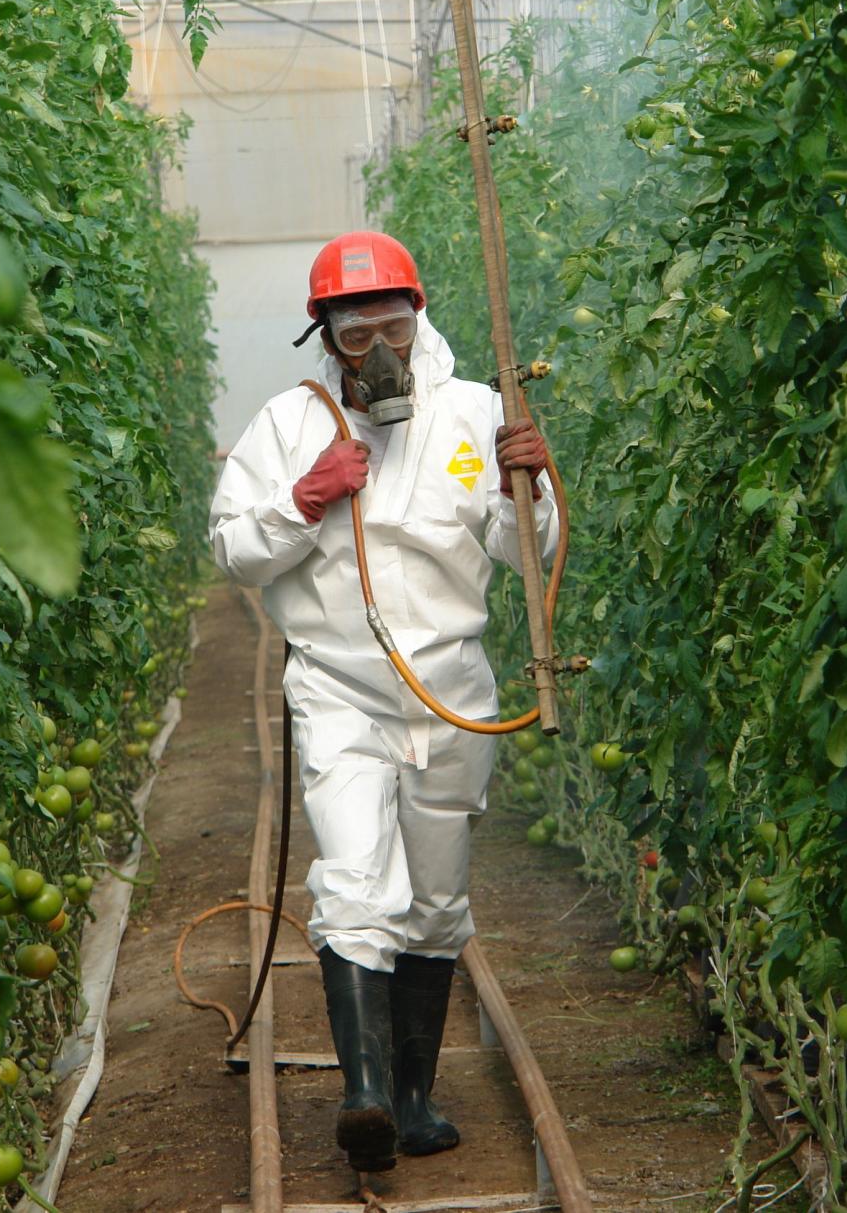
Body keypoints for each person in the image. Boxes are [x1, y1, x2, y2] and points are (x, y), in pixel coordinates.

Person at [209, 230, 557, 1172]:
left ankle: (413, 1098)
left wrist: (528, 488)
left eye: (392, 329)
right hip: (341, 690)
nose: (379, 355)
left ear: (418, 317)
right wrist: (304, 497)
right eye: (356, 337)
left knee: (436, 903)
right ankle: (362, 1095)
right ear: (325, 336)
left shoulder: (476, 412)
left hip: (450, 694)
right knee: (357, 882)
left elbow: (526, 551)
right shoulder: (291, 424)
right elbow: (233, 549)